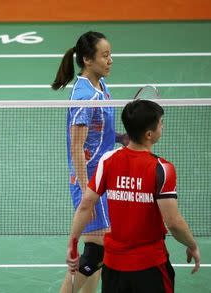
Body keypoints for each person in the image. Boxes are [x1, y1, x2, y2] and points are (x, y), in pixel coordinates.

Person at [66, 99, 200, 292]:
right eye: (161, 123)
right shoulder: (163, 169)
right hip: (150, 267)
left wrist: (73, 243)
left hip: (113, 269)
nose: (162, 126)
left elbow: (86, 205)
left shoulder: (108, 160)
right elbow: (173, 222)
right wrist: (192, 245)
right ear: (149, 134)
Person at [52, 31, 127, 293]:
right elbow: (76, 147)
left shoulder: (100, 86)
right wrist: (87, 194)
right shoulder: (85, 98)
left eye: (110, 55)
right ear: (87, 60)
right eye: (105, 55)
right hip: (89, 181)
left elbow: (99, 132)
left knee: (97, 254)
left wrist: (121, 138)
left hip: (102, 177)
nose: (110, 60)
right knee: (98, 251)